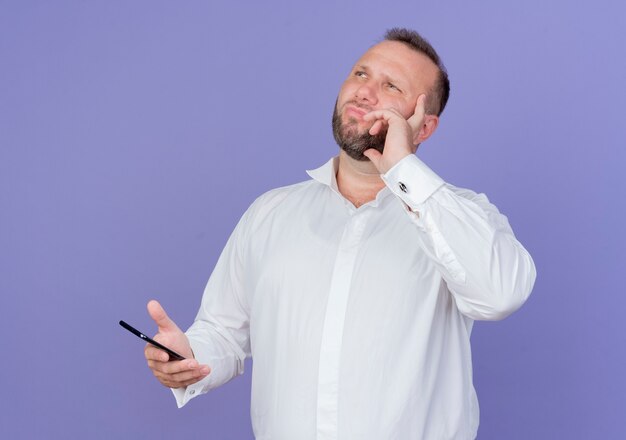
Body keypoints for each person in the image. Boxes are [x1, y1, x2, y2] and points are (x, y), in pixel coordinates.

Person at [144, 28, 536, 439]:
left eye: (390, 85)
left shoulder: (460, 215)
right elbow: (224, 331)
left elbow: (500, 293)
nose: (365, 92)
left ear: (425, 127)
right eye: (360, 74)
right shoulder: (270, 215)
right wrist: (189, 357)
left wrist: (403, 168)